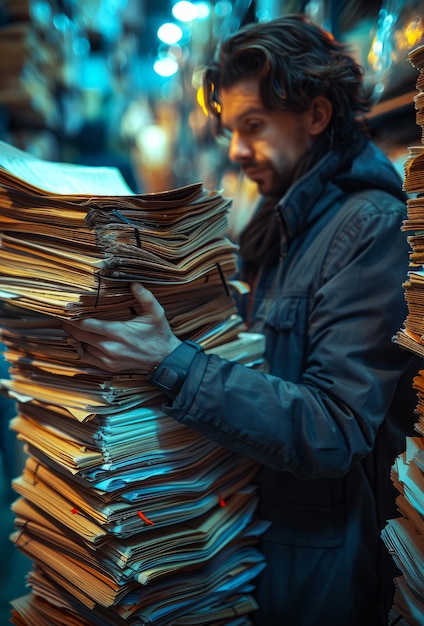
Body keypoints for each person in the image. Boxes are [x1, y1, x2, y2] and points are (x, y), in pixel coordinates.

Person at [62, 14, 421, 626]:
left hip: (316, 569)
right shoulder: (290, 218)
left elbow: (334, 428)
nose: (235, 151)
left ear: (315, 114)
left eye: (253, 127)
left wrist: (169, 361)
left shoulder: (368, 227)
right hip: (265, 538)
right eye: (230, 130)